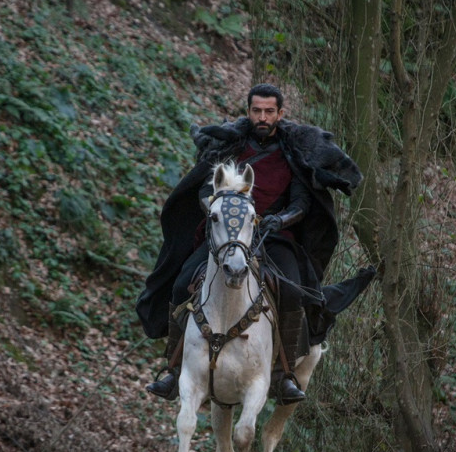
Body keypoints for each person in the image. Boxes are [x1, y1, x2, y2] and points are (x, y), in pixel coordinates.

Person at [136, 83, 374, 404]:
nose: (262, 117)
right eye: (257, 111)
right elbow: (205, 190)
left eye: (269, 111)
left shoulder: (293, 151)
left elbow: (302, 203)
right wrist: (217, 208)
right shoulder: (229, 146)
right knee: (181, 285)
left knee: (291, 292)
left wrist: (280, 219)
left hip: (273, 238)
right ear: (248, 111)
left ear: (280, 113)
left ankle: (283, 374)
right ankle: (174, 369)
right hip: (227, 237)